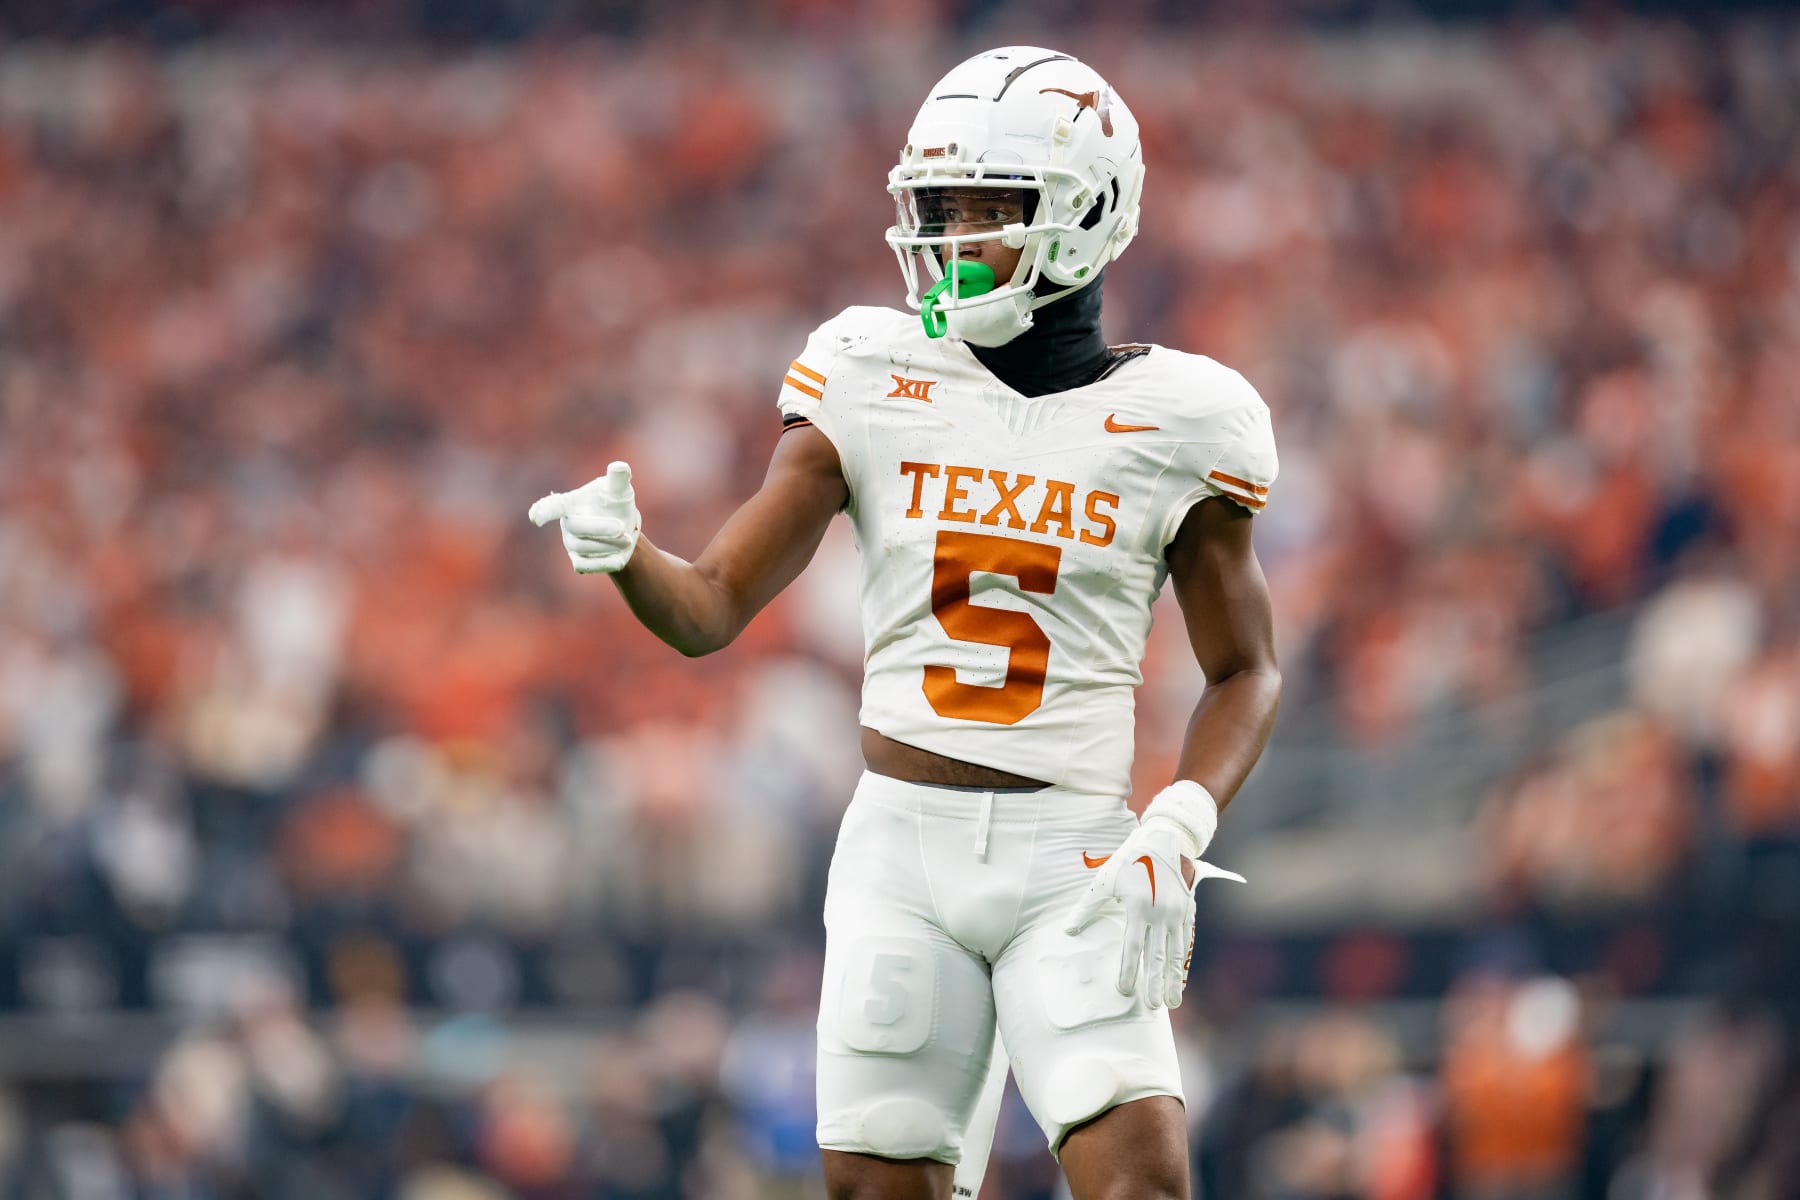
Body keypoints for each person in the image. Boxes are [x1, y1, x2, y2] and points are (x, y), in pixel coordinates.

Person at [530, 46, 1281, 1200]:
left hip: (1075, 854)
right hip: (900, 851)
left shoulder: (1184, 418)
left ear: (1087, 214)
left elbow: (1245, 669)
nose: (949, 236)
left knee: (1143, 1183)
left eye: (989, 208)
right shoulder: (872, 370)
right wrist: (631, 556)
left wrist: (1181, 818)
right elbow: (713, 607)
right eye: (938, 205)